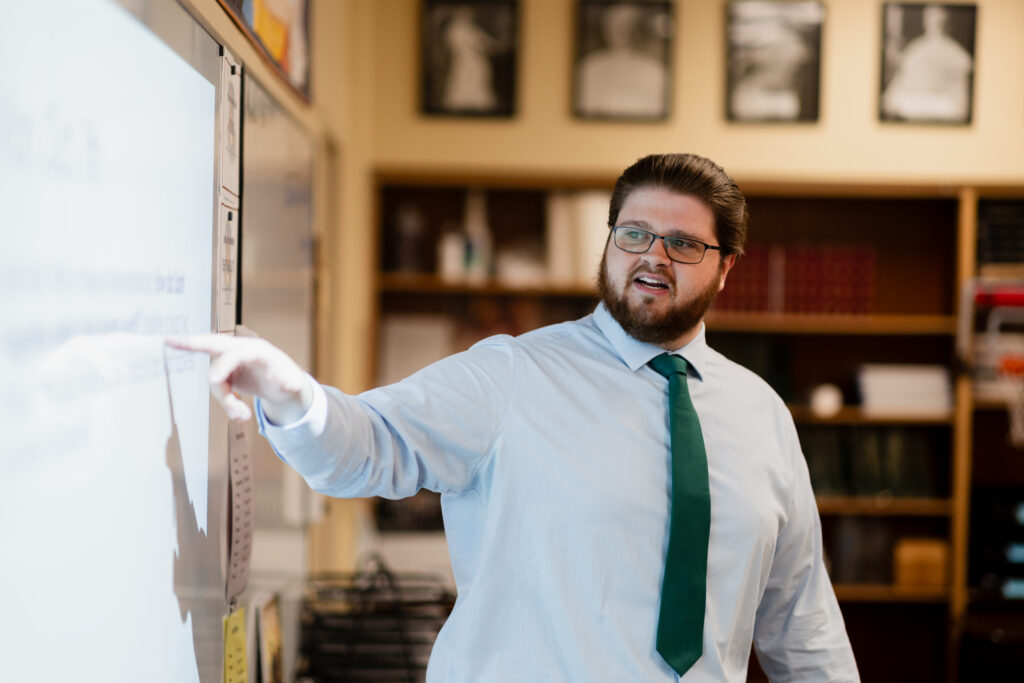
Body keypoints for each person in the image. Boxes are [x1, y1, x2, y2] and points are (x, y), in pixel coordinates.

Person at [170, 153, 860, 681]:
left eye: (683, 243)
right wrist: (295, 395)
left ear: (726, 268)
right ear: (609, 241)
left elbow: (802, 622)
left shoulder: (762, 415)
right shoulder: (510, 374)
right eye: (635, 233)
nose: (653, 256)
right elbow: (368, 444)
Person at [881, 4, 973, 122]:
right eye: (931, 19)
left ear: (945, 22)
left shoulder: (955, 53)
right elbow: (893, 96)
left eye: (938, 21)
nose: (934, 24)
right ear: (925, 22)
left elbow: (960, 105)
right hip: (911, 108)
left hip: (943, 110)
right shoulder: (914, 50)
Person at [576, 5, 667, 118]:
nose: (623, 33)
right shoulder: (590, 66)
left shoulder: (655, 70)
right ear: (606, 29)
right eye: (617, 27)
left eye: (629, 27)